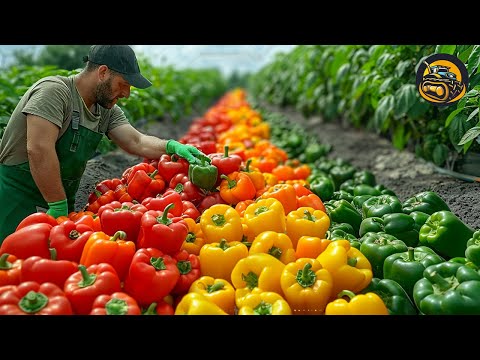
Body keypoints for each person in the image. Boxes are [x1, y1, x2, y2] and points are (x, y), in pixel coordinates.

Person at [0, 45, 209, 244]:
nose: (127, 93)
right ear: (102, 72)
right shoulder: (54, 92)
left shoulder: (105, 111)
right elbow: (38, 148)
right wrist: (56, 204)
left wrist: (172, 146)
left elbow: (136, 141)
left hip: (59, 204)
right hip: (16, 198)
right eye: (123, 83)